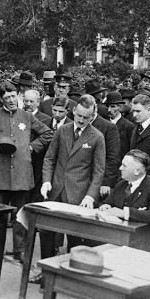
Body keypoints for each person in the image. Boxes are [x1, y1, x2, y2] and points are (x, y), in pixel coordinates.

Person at [0, 81, 53, 261]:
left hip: (21, 174)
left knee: (21, 216)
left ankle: (20, 250)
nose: (11, 100)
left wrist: (32, 147)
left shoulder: (27, 117)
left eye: (13, 96)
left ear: (18, 95)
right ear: (1, 99)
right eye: (6, 98)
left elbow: (48, 133)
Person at [41, 95, 106, 258]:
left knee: (75, 239)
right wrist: (46, 181)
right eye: (79, 116)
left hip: (78, 195)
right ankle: (45, 272)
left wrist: (90, 196)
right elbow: (50, 158)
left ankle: (69, 274)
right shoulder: (62, 130)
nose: (82, 120)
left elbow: (99, 171)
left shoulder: (97, 137)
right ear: (74, 111)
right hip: (56, 191)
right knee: (47, 233)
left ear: (92, 116)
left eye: (86, 117)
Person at [99, 150, 150, 253]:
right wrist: (105, 206)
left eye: (124, 166)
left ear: (137, 171)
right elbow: (108, 202)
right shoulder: (121, 184)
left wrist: (125, 212)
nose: (120, 168)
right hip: (119, 239)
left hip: (145, 245)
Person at [106, 91, 135, 161]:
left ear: (120, 107)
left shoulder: (129, 127)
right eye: (108, 106)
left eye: (112, 107)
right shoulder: (103, 124)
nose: (109, 110)